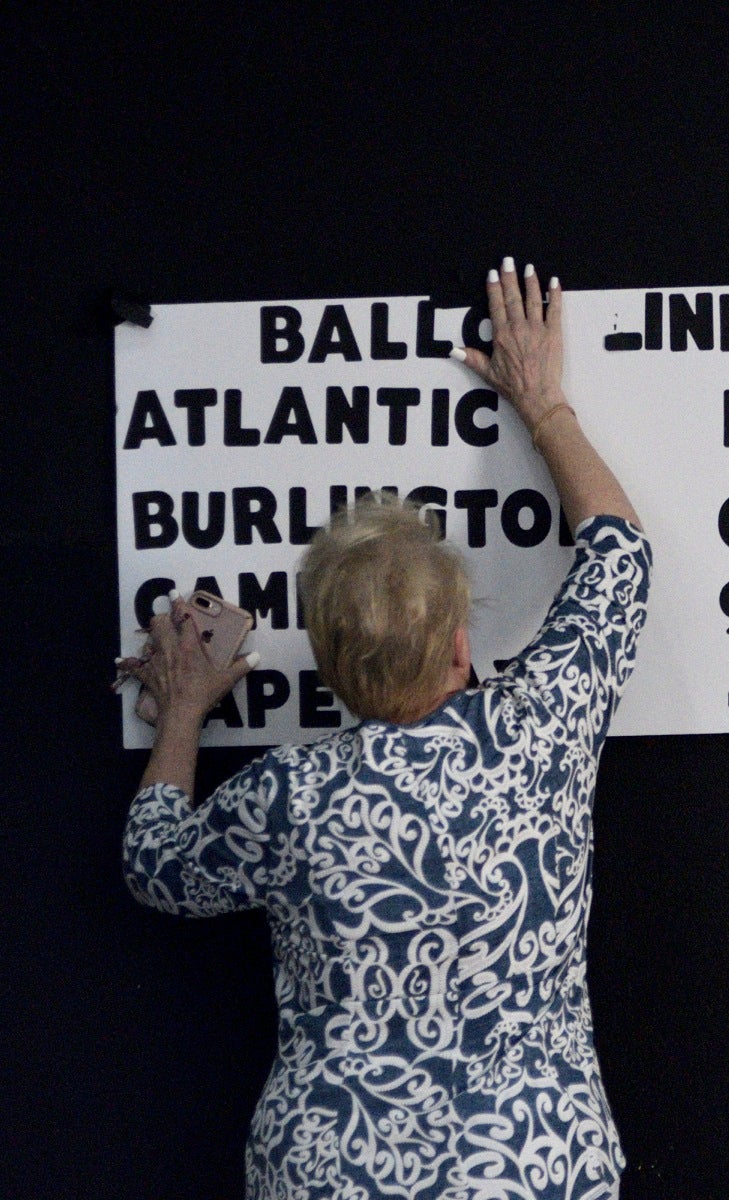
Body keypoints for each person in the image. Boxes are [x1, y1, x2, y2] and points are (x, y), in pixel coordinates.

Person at [120, 258, 648, 1199]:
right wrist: (540, 402)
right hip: (533, 1171)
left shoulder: (285, 797)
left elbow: (157, 866)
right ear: (457, 642)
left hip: (328, 1175)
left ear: (328, 662)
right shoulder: (544, 731)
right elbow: (620, 553)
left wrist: (187, 712)